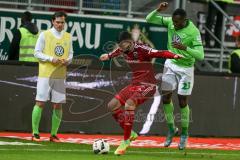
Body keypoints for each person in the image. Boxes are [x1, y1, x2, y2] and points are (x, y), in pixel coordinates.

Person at [100, 31, 182, 155]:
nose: (121, 47)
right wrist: (108, 55)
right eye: (119, 44)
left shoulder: (142, 49)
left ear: (130, 41)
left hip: (148, 85)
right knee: (112, 105)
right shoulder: (123, 49)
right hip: (134, 85)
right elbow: (117, 51)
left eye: (122, 44)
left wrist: (174, 55)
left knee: (129, 104)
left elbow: (159, 53)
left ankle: (126, 141)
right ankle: (131, 133)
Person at [146, 2, 204, 150]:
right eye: (173, 22)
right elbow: (149, 19)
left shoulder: (193, 32)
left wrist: (185, 48)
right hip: (170, 65)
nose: (175, 25)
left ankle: (184, 133)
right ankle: (172, 129)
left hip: (186, 69)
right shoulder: (171, 23)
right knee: (166, 97)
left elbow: (201, 56)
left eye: (177, 23)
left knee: (182, 101)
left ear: (184, 20)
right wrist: (158, 10)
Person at [31, 11, 73, 142]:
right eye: (58, 22)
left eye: (62, 22)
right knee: (40, 102)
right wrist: (50, 58)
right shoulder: (44, 35)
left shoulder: (68, 36)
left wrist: (68, 60)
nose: (60, 25)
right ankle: (35, 133)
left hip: (60, 75)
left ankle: (53, 134)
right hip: (45, 74)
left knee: (58, 105)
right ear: (53, 21)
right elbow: (36, 53)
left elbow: (71, 54)